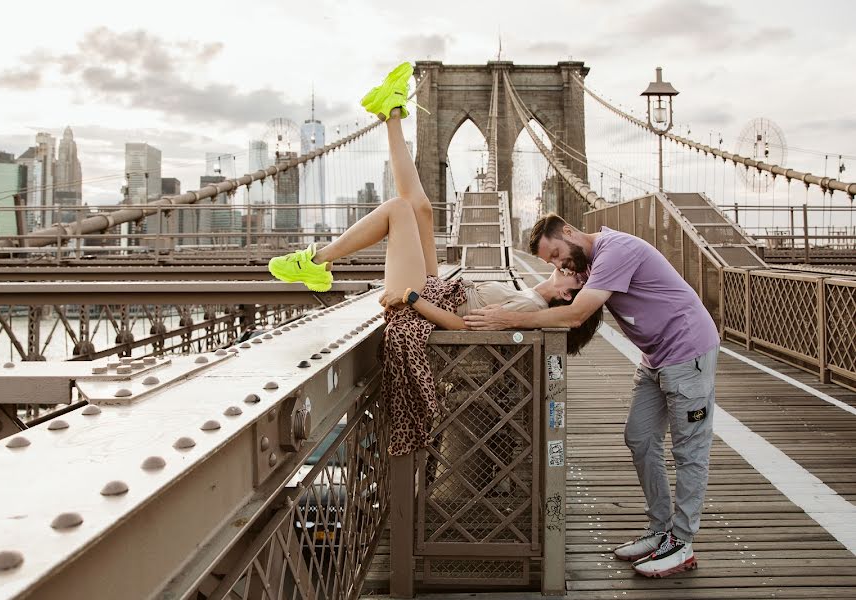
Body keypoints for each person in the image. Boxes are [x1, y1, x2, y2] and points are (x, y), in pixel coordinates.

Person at [268, 64, 602, 457]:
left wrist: (411, 298)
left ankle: (317, 261)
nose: (571, 271)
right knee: (422, 208)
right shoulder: (529, 294)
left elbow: (463, 325)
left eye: (574, 279)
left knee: (398, 210)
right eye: (574, 271)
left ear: (565, 298)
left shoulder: (530, 306)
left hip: (423, 303)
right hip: (439, 291)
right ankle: (390, 113)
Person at [464, 213, 720, 579]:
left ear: (568, 232)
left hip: (688, 351)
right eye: (550, 261)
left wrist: (509, 321)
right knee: (640, 438)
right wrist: (504, 306)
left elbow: (576, 315)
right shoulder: (586, 262)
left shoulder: (616, 251)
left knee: (688, 449)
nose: (558, 265)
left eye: (556, 254)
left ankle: (682, 542)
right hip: (655, 358)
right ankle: (661, 530)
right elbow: (547, 291)